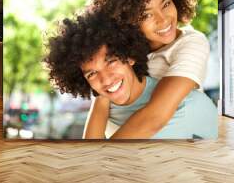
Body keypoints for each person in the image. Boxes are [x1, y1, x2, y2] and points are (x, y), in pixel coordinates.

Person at [44, 12, 218, 139]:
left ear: (130, 56)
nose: (105, 79)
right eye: (92, 73)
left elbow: (95, 161)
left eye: (111, 61)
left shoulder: (187, 105)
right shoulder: (103, 109)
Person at [84, 0, 213, 139]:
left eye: (166, 4)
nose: (163, 19)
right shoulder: (120, 53)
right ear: (126, 21)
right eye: (146, 15)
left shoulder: (191, 43)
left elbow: (155, 117)